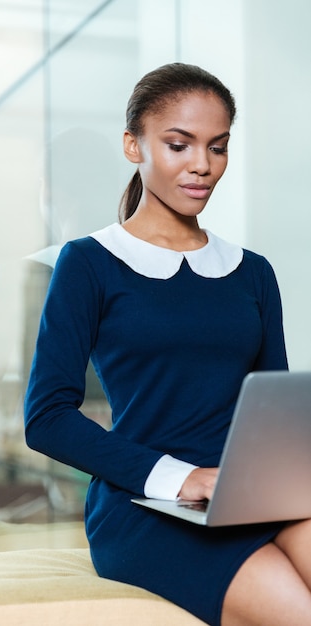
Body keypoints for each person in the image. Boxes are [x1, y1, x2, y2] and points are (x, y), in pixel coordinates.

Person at [24, 63, 311, 625]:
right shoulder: (89, 263)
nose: (202, 165)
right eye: (179, 145)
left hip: (248, 496)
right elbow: (47, 417)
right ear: (134, 145)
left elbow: (276, 417)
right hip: (145, 504)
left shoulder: (253, 273)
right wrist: (182, 478)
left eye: (218, 147)